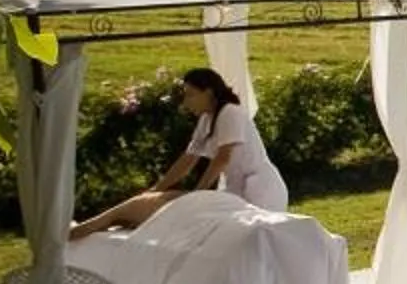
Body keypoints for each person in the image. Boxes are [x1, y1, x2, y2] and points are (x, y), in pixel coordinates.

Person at [68, 68, 290, 238]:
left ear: (209, 92)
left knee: (168, 204)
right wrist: (157, 188)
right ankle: (91, 228)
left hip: (261, 191)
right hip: (235, 190)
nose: (186, 102)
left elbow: (223, 158)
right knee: (152, 202)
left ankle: (87, 228)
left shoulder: (230, 112)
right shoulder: (207, 119)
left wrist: (198, 194)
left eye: (191, 95)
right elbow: (188, 159)